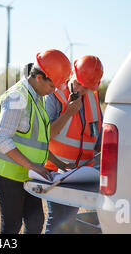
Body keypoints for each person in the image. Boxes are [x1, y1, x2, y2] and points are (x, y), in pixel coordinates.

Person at [0, 49, 71, 234]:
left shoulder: (37, 98)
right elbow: (2, 139)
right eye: (52, 85)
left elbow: (36, 141)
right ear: (39, 77)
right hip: (7, 173)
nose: (54, 90)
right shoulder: (18, 96)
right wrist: (33, 166)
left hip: (27, 173)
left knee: (35, 223)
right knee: (12, 226)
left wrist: (58, 164)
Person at [43, 55, 104, 234]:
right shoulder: (54, 96)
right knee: (56, 221)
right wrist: (68, 112)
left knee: (68, 221)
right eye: (78, 83)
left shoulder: (93, 98)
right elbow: (45, 136)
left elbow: (98, 135)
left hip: (82, 173)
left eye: (87, 86)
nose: (81, 89)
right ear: (71, 74)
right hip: (56, 171)